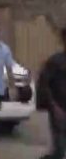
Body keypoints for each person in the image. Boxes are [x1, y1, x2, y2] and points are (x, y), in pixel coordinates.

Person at [37, 28, 66, 159]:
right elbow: (44, 85)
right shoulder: (55, 61)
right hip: (59, 110)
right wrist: (54, 107)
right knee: (59, 149)